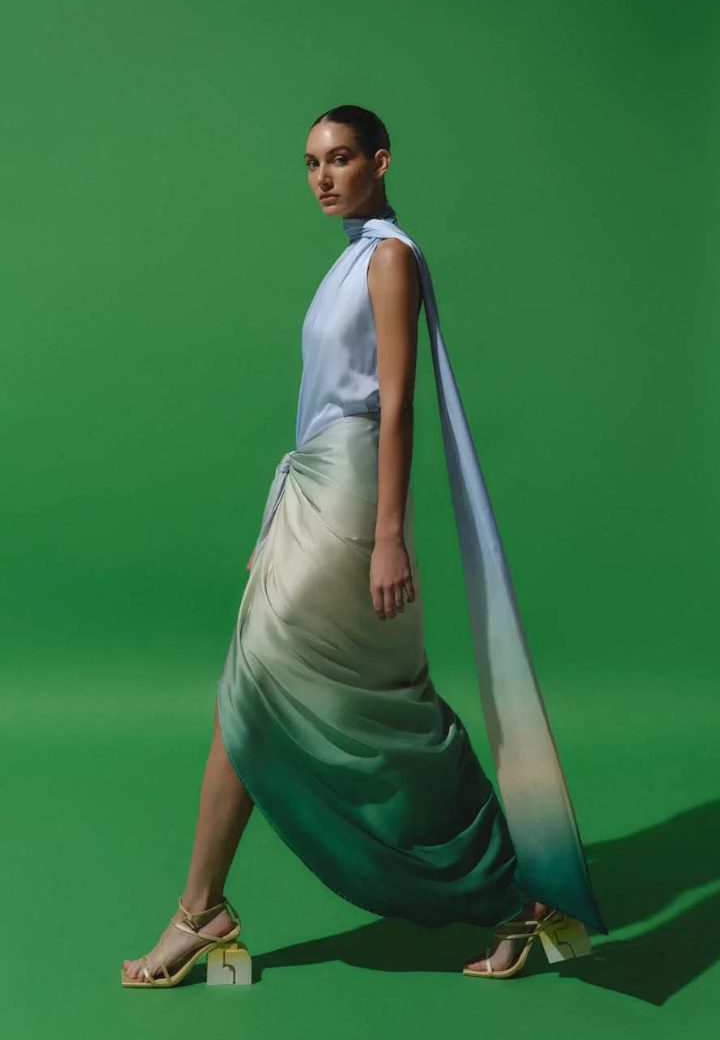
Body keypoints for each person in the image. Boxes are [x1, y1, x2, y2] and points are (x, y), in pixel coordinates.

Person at [121, 105, 605, 989]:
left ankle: (515, 890)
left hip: (352, 495)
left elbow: (397, 402)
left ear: (380, 161)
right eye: (312, 162)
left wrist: (388, 538)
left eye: (340, 158)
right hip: (311, 489)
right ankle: (203, 908)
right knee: (265, 693)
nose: (323, 177)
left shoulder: (389, 259)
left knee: (360, 706)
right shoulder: (348, 259)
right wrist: (277, 525)